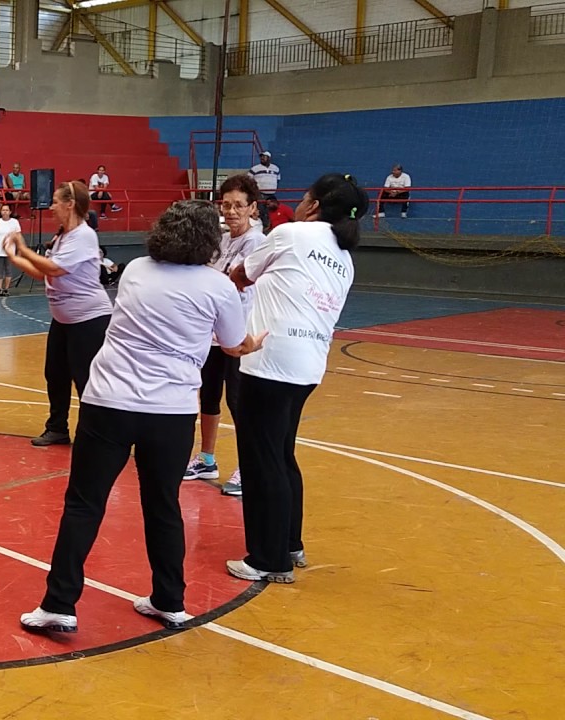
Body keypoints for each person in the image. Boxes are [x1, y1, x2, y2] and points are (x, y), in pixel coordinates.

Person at [19, 200, 266, 635]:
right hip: (169, 413)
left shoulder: (136, 269)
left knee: (84, 503)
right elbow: (232, 345)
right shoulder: (218, 286)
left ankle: (59, 602)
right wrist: (254, 342)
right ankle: (170, 600)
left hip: (109, 403)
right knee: (162, 505)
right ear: (209, 241)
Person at [226, 173, 365, 584]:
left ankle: (268, 559)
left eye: (304, 198)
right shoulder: (344, 258)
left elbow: (240, 275)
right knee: (282, 454)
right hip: (308, 366)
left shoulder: (292, 234)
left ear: (315, 205)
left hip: (269, 360)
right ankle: (289, 542)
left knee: (261, 460)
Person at [5, 182, 112, 447]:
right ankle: (57, 428)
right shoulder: (63, 236)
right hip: (63, 320)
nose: (51, 207)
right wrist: (15, 257)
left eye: (55, 202)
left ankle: (95, 434)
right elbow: (43, 274)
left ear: (70, 204)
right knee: (55, 374)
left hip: (88, 320)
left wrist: (23, 247)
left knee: (86, 378)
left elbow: (53, 269)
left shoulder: (84, 236)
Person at [185, 174, 266, 496]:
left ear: (252, 208)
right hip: (213, 333)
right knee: (208, 396)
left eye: (238, 206)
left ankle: (250, 466)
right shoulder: (220, 240)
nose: (231, 211)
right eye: (226, 205)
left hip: (240, 334)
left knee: (239, 402)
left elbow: (232, 282)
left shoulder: (258, 243)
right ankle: (206, 458)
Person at [0, 203, 20, 297]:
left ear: (10, 212)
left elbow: (18, 237)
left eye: (7, 210)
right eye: (3, 210)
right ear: (1, 212)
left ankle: (6, 289)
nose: (5, 212)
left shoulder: (15, 222)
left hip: (10, 251)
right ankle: (0, 289)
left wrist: (19, 250)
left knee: (8, 270)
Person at [249, 151, 280, 228]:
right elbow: (249, 180)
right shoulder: (255, 168)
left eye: (264, 156)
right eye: (261, 156)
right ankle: (262, 226)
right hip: (260, 193)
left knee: (272, 210)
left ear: (269, 158)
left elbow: (278, 179)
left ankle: (270, 226)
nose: (262, 158)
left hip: (272, 194)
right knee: (261, 210)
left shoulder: (276, 168)